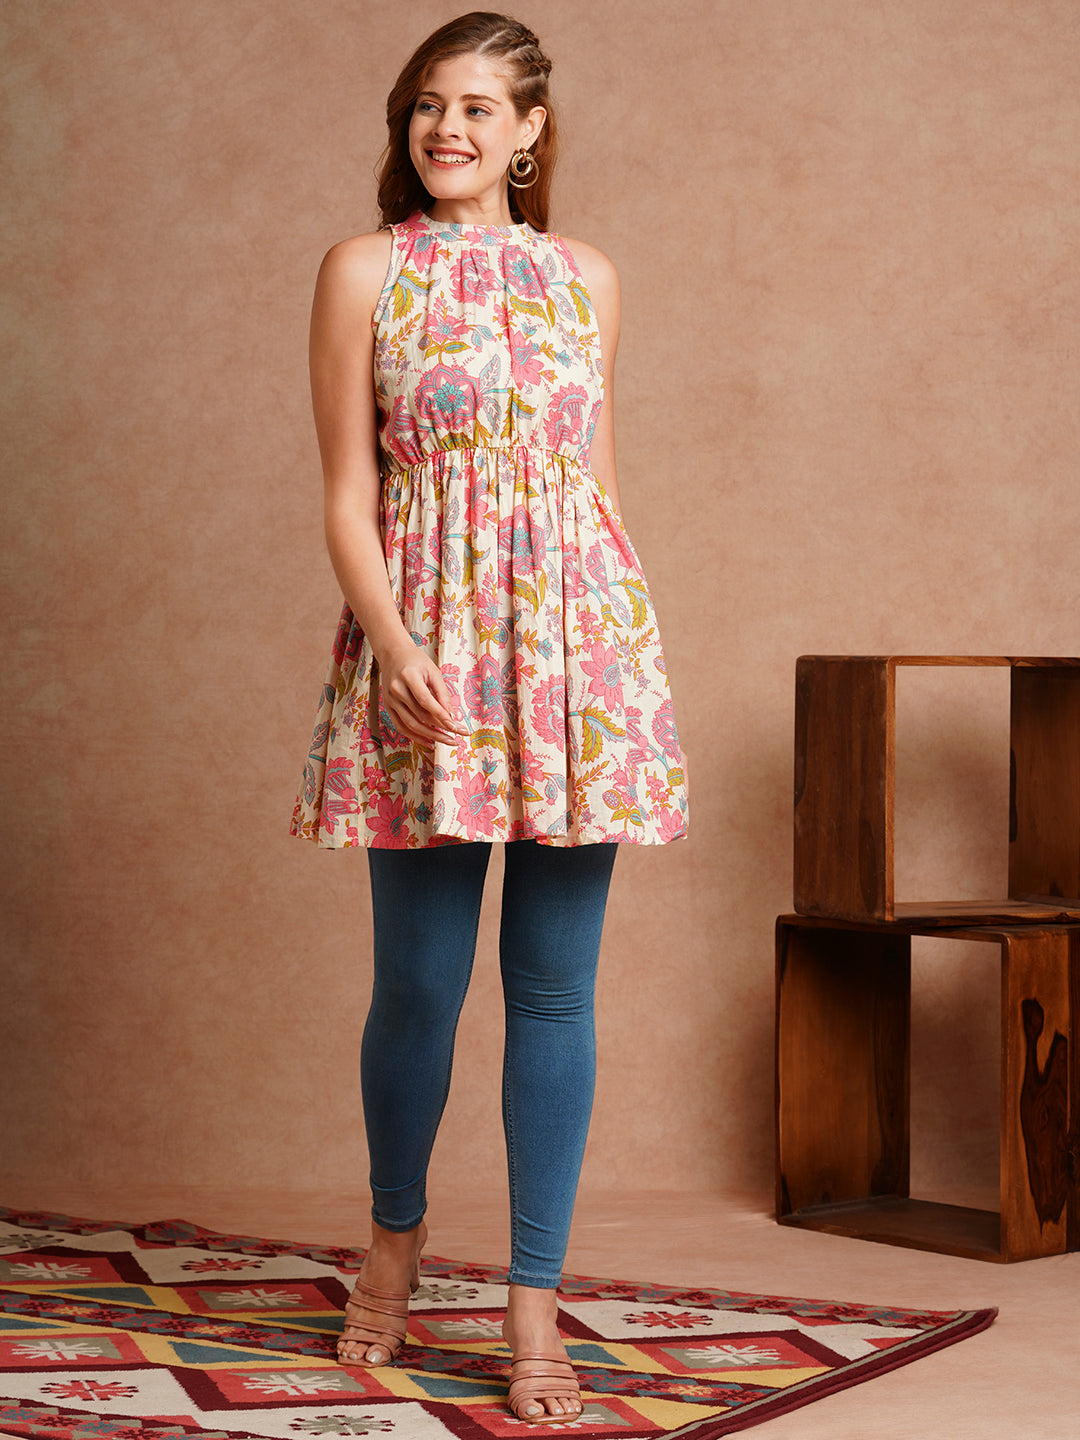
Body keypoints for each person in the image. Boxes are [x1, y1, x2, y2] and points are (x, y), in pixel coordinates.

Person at [290, 10, 688, 1425]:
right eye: (426, 105)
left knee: (556, 992)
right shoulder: (365, 270)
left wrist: (619, 658)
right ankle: (393, 1244)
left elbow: (597, 486)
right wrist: (393, 643)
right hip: (430, 651)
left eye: (475, 108)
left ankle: (533, 1302)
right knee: (419, 983)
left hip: (580, 658)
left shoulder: (588, 279)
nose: (446, 128)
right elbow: (349, 494)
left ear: (529, 132)